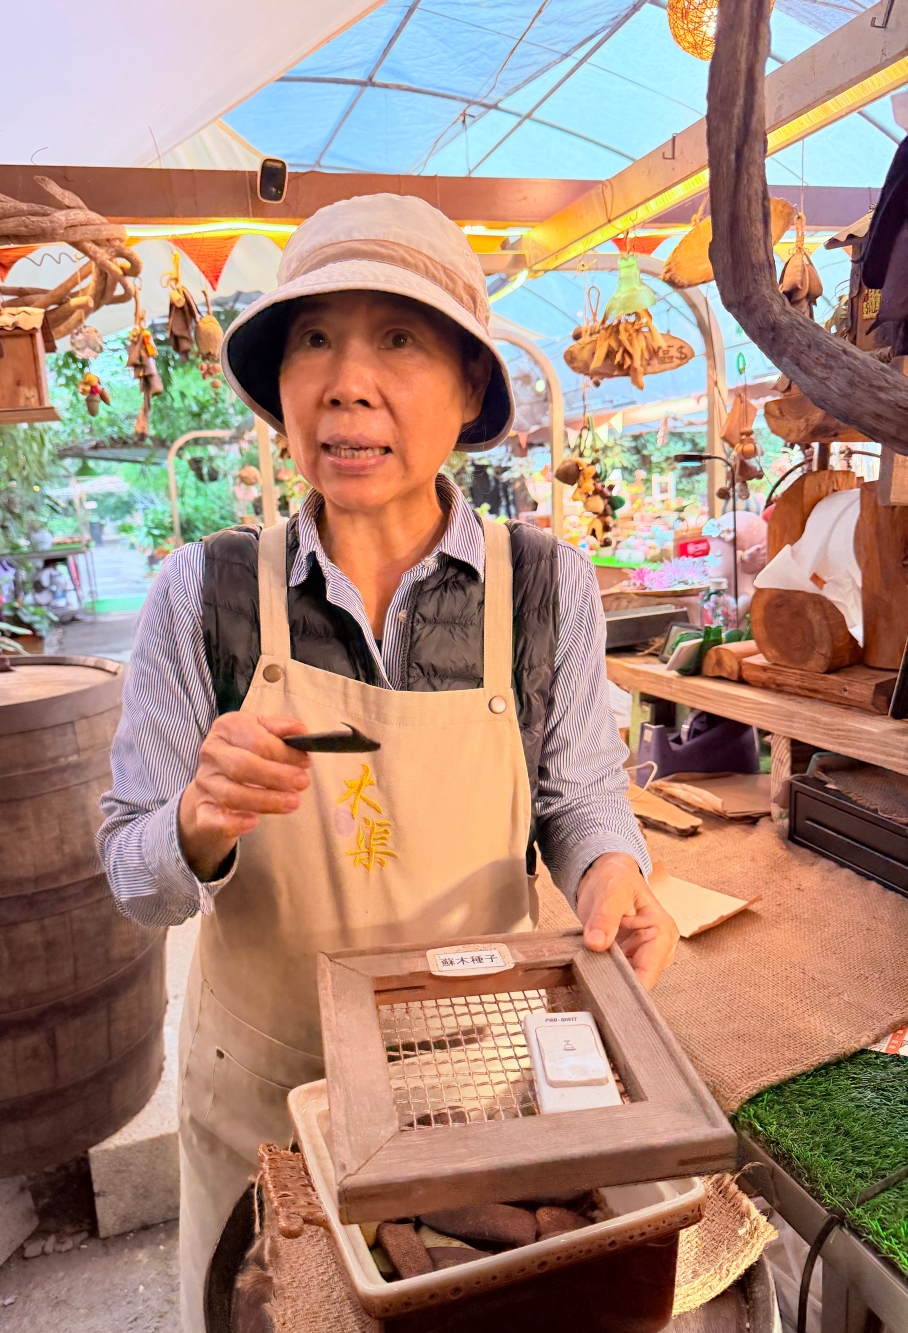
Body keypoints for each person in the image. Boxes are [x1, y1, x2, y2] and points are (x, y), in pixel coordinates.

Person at [98, 193, 677, 1333]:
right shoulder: (204, 595)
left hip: (471, 1093)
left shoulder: (540, 586)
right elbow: (131, 872)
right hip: (270, 1098)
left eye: (398, 339)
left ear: (467, 391)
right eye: (314, 337)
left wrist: (612, 869)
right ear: (280, 387)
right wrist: (199, 821)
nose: (348, 381)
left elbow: (577, 799)